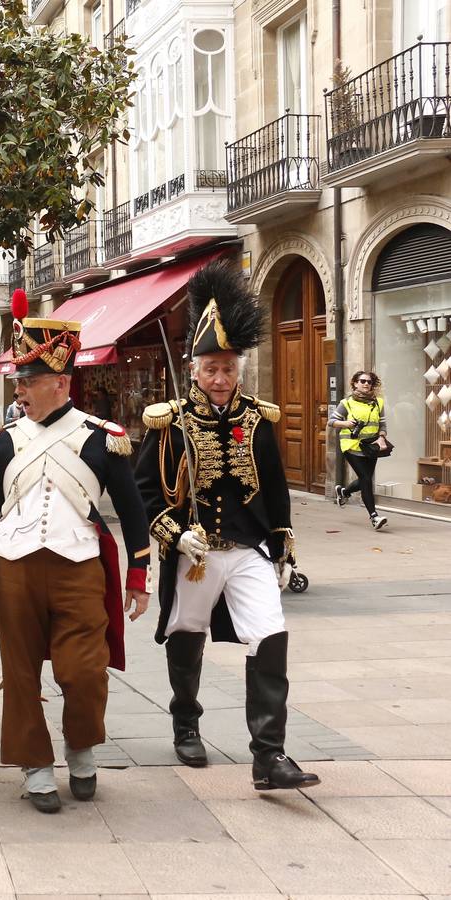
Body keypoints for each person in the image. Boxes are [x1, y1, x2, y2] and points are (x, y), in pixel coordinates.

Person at [0, 293, 151, 814]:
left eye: (28, 380)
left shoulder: (102, 438)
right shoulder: (1, 441)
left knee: (83, 670)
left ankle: (82, 748)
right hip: (16, 567)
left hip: (78, 567)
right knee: (20, 674)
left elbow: (132, 512)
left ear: (61, 382)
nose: (18, 389)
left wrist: (138, 573)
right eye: (19, 380)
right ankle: (36, 766)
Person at [135, 259, 319, 793]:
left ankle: (269, 755)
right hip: (194, 554)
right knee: (186, 635)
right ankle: (186, 721)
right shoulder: (168, 423)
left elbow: (276, 485)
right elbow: (145, 491)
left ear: (239, 370)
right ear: (194, 369)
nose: (221, 378)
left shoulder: (257, 420)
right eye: (211, 368)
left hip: (247, 549)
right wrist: (173, 533)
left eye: (229, 369)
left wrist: (282, 543)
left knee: (270, 635)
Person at [331, 371, 390, 530]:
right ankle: (374, 516)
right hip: (351, 446)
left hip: (371, 446)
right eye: (362, 381)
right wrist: (346, 424)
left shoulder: (378, 402)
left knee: (366, 478)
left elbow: (382, 425)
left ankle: (344, 492)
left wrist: (382, 436)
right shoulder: (347, 403)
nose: (366, 384)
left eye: (369, 382)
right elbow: (332, 421)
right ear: (355, 383)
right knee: (365, 478)